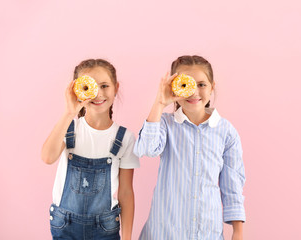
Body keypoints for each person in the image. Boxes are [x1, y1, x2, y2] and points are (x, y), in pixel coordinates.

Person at [134, 55, 246, 240]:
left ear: (212, 87)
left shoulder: (226, 132)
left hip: (207, 232)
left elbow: (232, 186)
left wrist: (238, 233)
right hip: (164, 232)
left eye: (201, 84)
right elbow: (146, 148)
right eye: (186, 85)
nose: (194, 92)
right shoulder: (164, 124)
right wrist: (160, 102)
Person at [41, 59, 140, 240]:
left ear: (116, 88)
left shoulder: (124, 138)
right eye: (89, 87)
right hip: (64, 225)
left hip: (105, 229)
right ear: (76, 90)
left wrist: (127, 238)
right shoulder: (69, 127)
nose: (98, 94)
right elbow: (47, 157)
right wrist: (69, 112)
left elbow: (126, 193)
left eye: (104, 86)